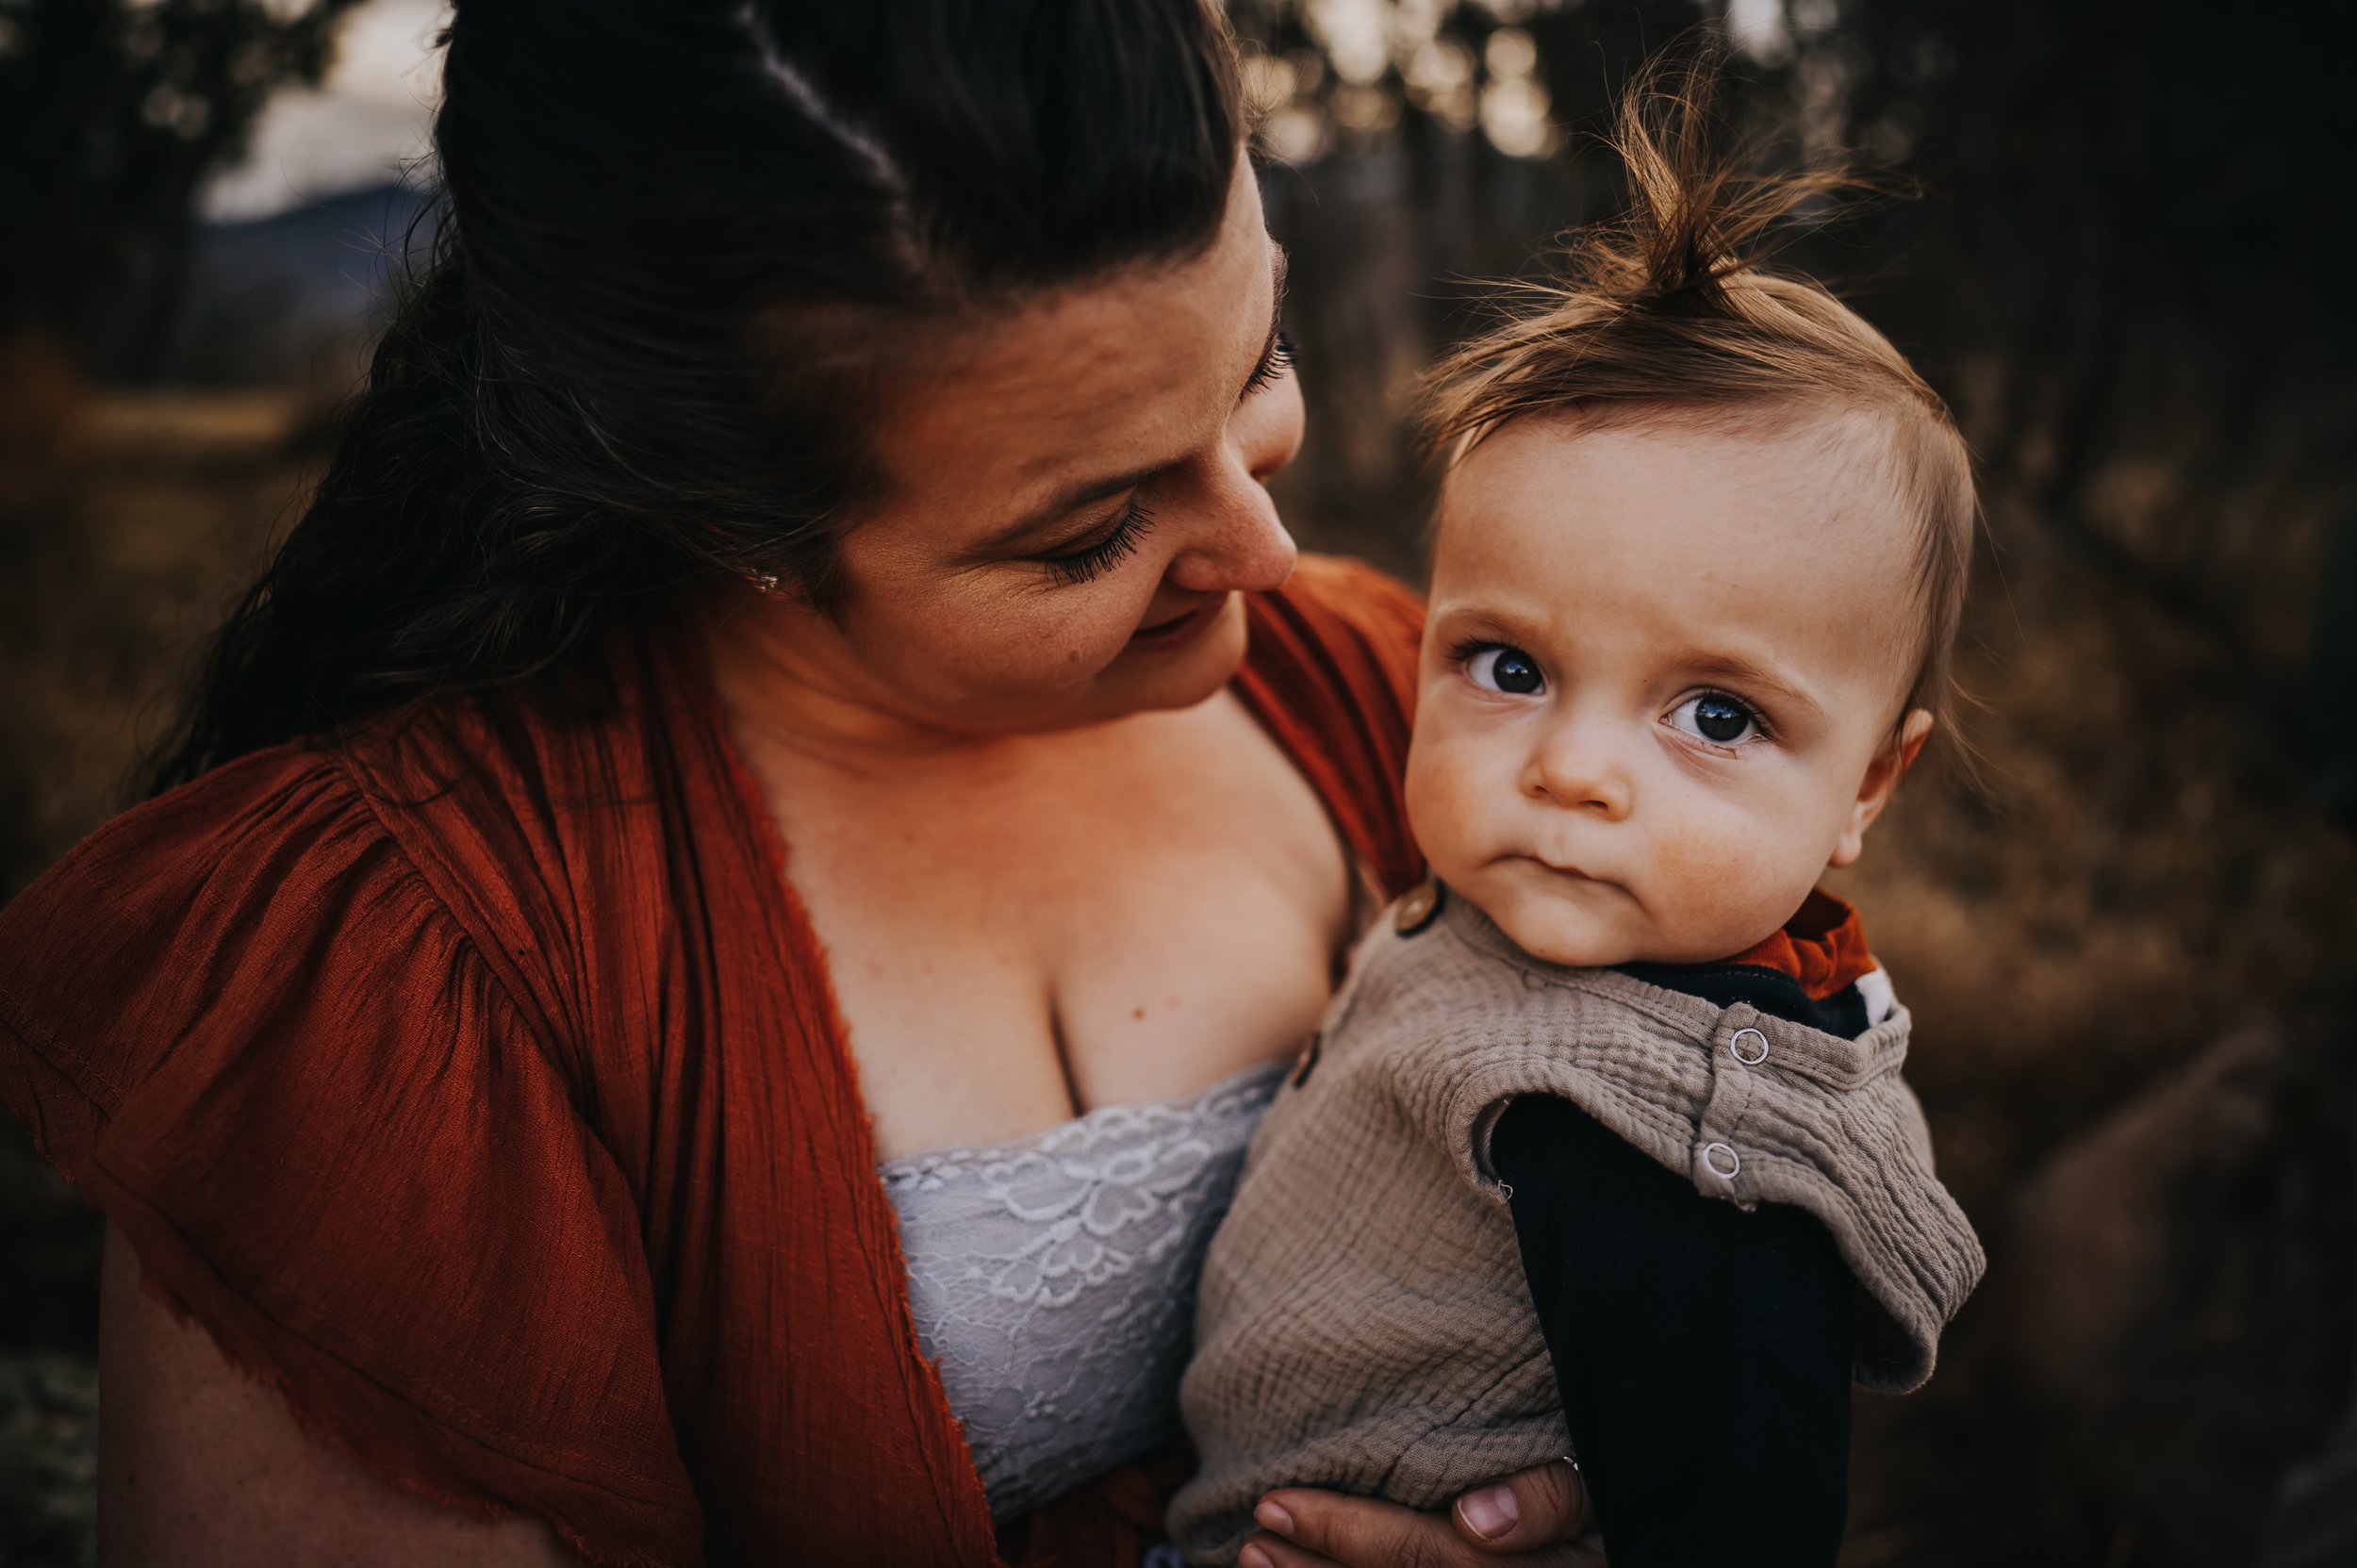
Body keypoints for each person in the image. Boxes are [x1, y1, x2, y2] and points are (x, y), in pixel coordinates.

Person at [0, 3, 1592, 1565]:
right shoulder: (392, 987)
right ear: (730, 522)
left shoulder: (1396, 696)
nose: (1269, 551)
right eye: (1085, 530)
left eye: (1260, 367)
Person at [1171, 55, 1986, 1568]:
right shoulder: (1519, 926)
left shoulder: (1682, 1155)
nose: (1573, 769)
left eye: (1718, 715)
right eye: (1509, 665)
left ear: (1868, 785)